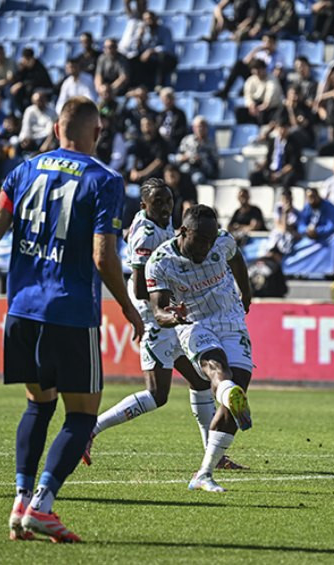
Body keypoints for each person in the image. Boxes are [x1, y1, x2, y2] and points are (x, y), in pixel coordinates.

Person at [0, 96, 144, 542]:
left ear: (57, 129)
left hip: (21, 310)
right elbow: (103, 256)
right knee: (82, 415)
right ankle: (42, 504)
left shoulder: (23, 171)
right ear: (97, 133)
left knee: (38, 404)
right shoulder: (105, 180)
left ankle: (20, 499)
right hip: (71, 314)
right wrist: (131, 311)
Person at [85, 179, 245, 469]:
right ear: (144, 204)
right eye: (158, 202)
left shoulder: (152, 225)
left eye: (168, 201)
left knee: (199, 380)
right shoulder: (147, 236)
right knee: (158, 394)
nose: (165, 207)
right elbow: (140, 289)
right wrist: (173, 303)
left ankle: (216, 456)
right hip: (156, 319)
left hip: (172, 316)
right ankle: (91, 429)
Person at [145, 205, 254, 492]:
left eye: (210, 240)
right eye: (200, 240)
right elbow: (158, 311)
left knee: (235, 391)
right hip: (194, 322)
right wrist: (174, 317)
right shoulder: (160, 262)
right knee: (217, 369)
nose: (206, 247)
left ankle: (204, 473)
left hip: (231, 319)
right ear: (183, 231)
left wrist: (247, 293)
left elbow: (237, 259)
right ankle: (229, 393)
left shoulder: (222, 241)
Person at [214, 33, 280, 100]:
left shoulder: (278, 56)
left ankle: (246, 90)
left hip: (266, 78)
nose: (266, 44)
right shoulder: (261, 54)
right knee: (239, 64)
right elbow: (246, 62)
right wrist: (256, 49)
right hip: (255, 75)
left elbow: (277, 71)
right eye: (264, 41)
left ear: (273, 43)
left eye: (268, 42)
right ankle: (225, 91)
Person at [248, 118, 304, 188]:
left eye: (284, 129)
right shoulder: (272, 141)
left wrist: (279, 174)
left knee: (288, 179)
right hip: (272, 171)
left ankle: (285, 197)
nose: (282, 131)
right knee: (254, 176)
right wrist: (262, 165)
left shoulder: (294, 144)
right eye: (280, 128)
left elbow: (292, 164)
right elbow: (269, 158)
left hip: (284, 172)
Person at [235, 59, 283, 126]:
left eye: (259, 70)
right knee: (240, 111)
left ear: (264, 69)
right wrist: (251, 105)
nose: (257, 73)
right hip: (256, 106)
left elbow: (271, 94)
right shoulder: (251, 80)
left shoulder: (272, 79)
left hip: (270, 108)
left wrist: (262, 107)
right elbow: (247, 95)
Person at [176, 116, 220, 185]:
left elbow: (215, 161)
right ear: (193, 128)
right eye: (198, 126)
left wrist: (202, 158)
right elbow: (178, 156)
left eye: (203, 126)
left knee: (197, 178)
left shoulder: (211, 143)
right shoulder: (187, 140)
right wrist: (187, 157)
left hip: (203, 170)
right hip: (188, 167)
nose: (200, 129)